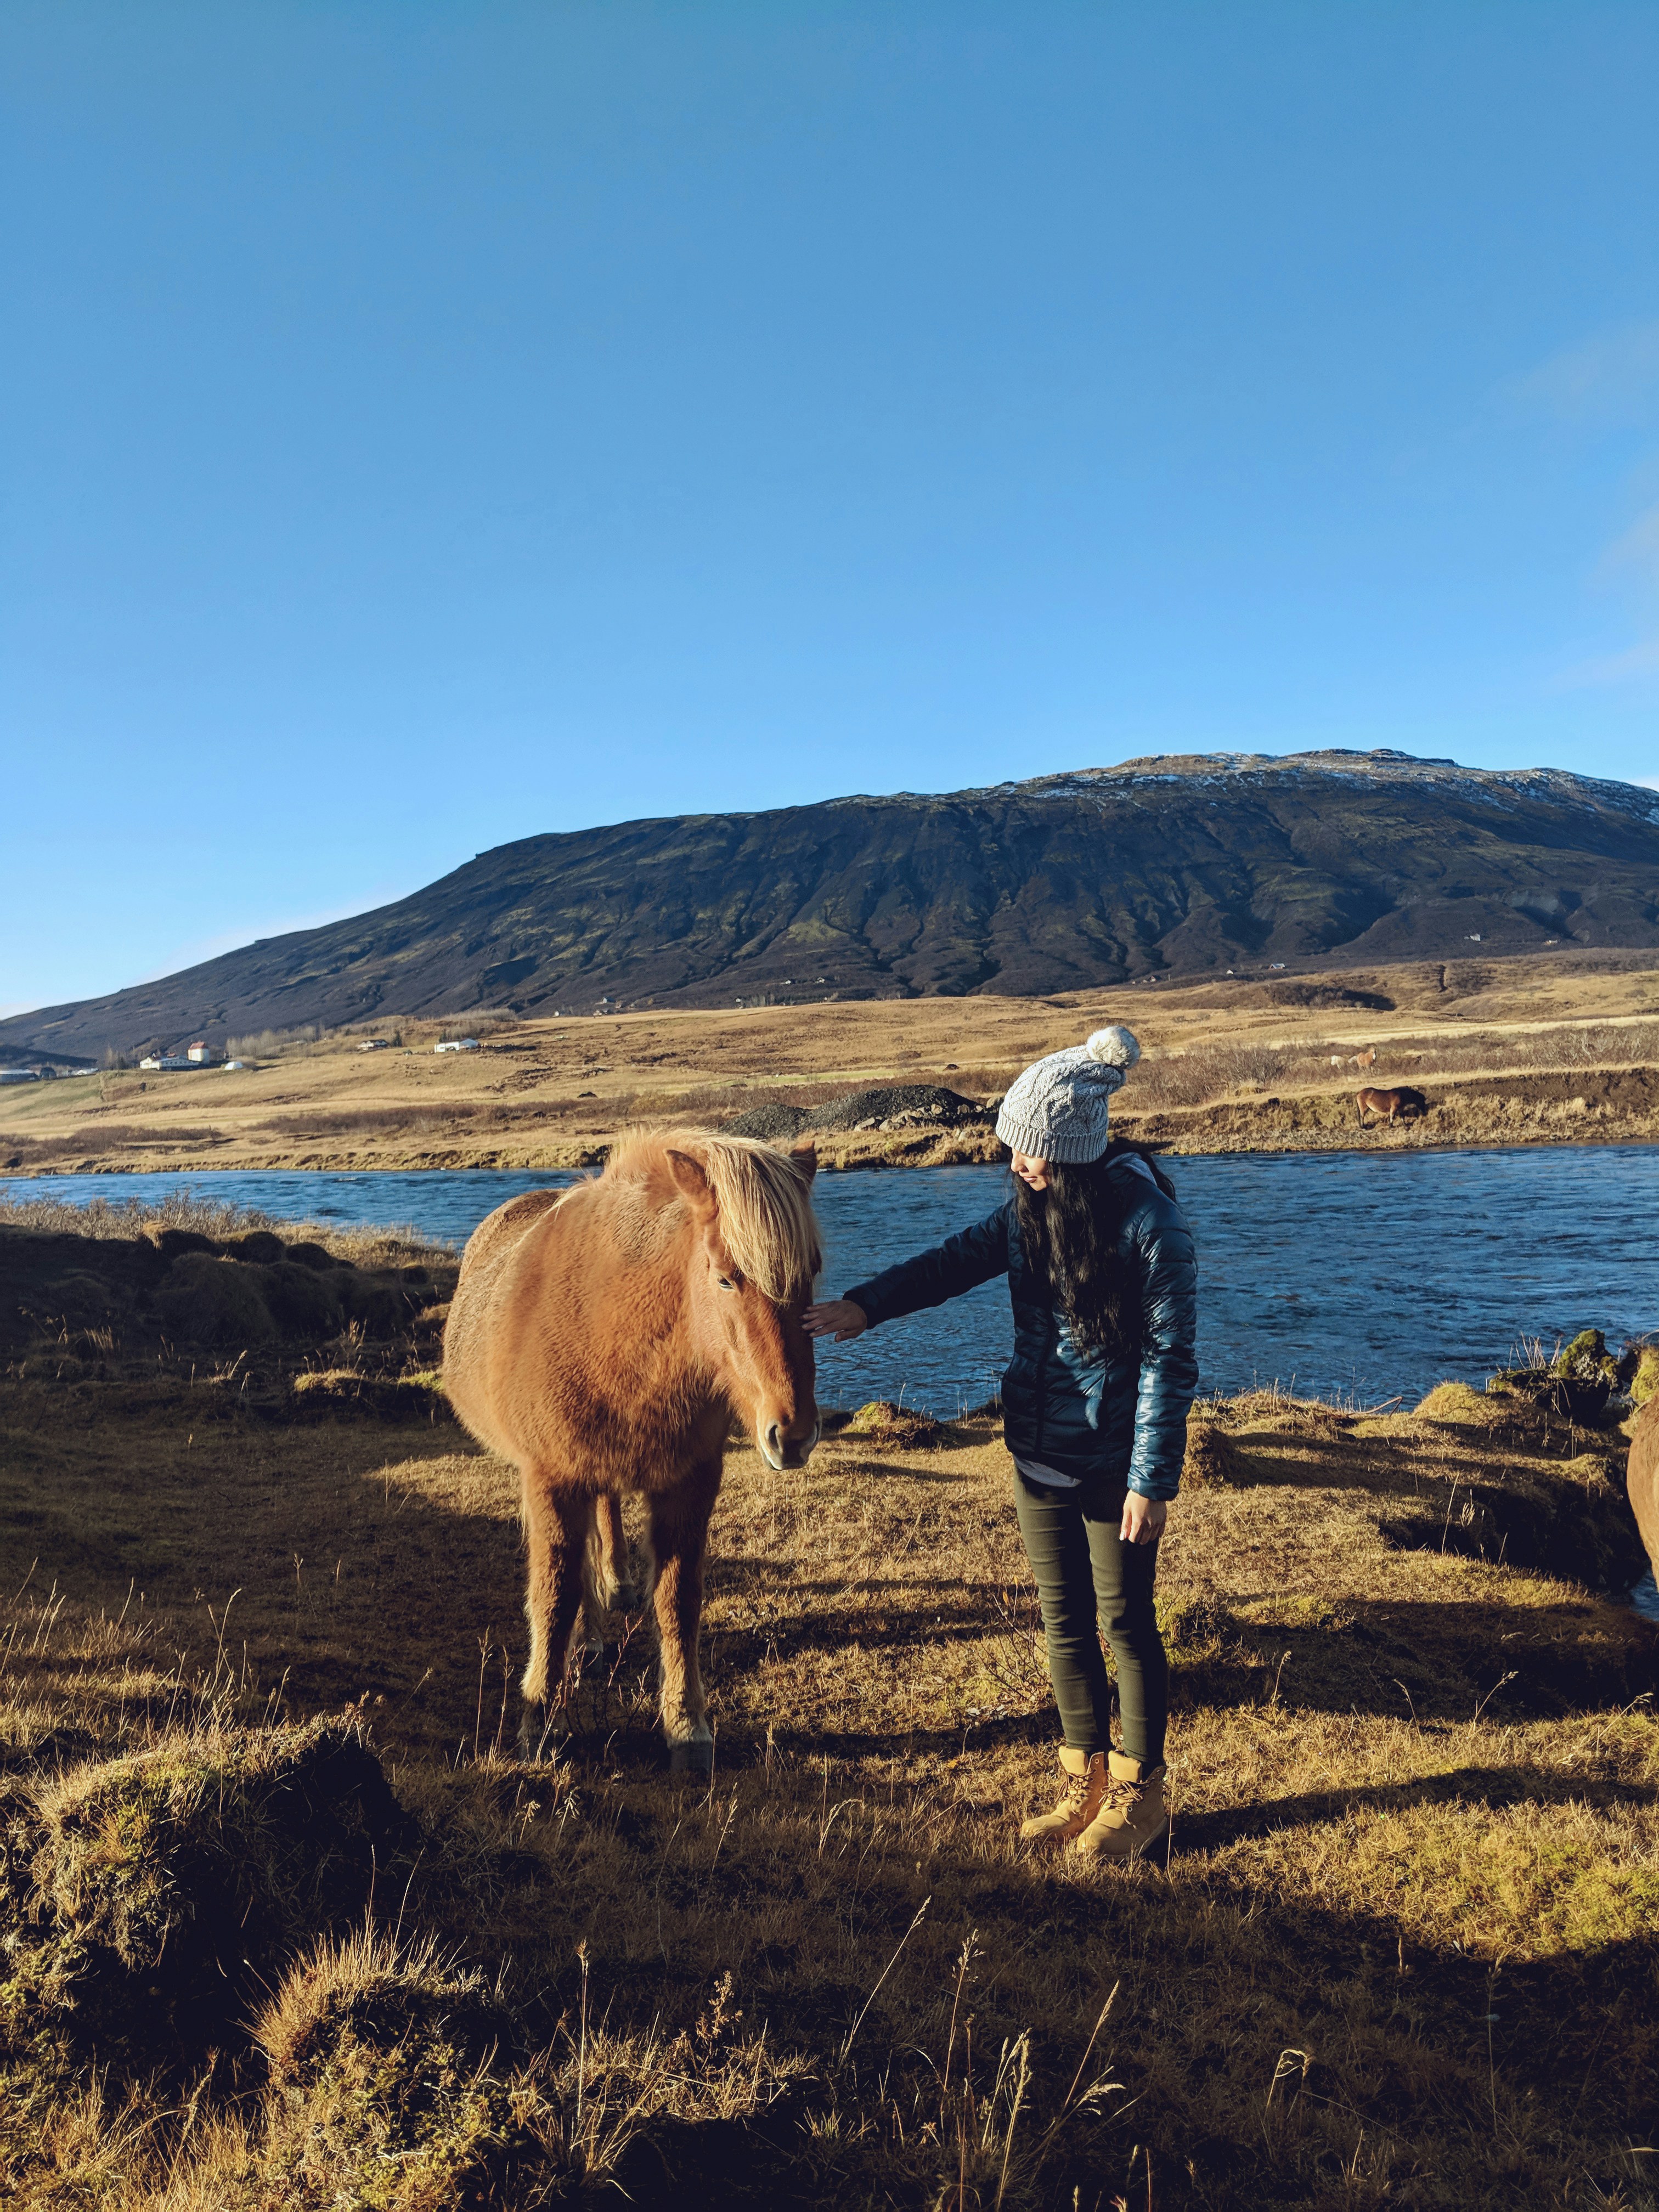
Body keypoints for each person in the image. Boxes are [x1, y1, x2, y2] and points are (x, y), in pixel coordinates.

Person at [804, 1026, 1197, 1861]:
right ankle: (1082, 1780)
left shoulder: (1151, 1227)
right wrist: (862, 1307)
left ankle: (1141, 1794)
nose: (1017, 1165)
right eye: (1012, 1150)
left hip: (1112, 1464)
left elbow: (1170, 1359)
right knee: (1063, 1622)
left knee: (1125, 1624)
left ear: (1077, 1156)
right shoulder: (1028, 1213)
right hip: (1037, 1454)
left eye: (1032, 1154)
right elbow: (948, 1264)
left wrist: (1150, 1480)